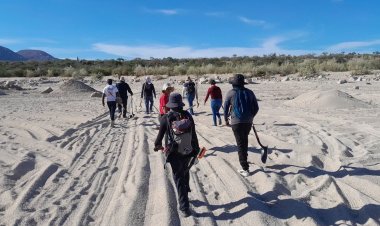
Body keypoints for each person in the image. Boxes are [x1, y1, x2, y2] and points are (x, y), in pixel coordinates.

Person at [154, 93, 200, 218]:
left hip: (173, 152)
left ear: (170, 105)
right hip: (188, 150)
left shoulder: (166, 118)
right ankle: (186, 192)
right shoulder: (188, 115)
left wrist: (158, 146)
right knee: (185, 171)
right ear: (180, 103)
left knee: (178, 177)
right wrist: (196, 149)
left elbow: (158, 140)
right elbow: (194, 135)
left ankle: (184, 207)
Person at [224, 74, 259, 177]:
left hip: (236, 122)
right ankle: (245, 161)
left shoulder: (230, 93)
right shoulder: (250, 92)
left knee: (240, 144)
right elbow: (256, 107)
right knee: (244, 141)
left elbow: (225, 108)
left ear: (233, 84)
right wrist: (251, 117)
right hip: (248, 122)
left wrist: (226, 119)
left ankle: (245, 168)